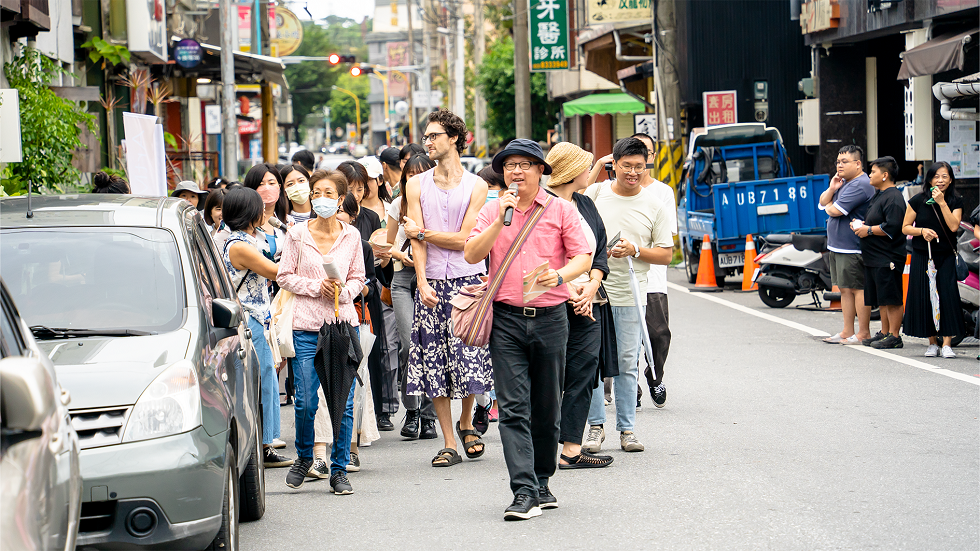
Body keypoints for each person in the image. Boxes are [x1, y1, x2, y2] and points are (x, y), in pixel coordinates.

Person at [464, 139, 592, 520]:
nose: (515, 172)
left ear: (540, 170)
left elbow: (583, 255)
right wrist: (499, 217)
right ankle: (523, 490)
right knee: (514, 408)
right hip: (505, 319)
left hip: (551, 318)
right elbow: (471, 254)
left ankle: (542, 480)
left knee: (547, 407)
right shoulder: (492, 210)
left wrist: (561, 275)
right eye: (509, 166)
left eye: (524, 165)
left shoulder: (561, 210)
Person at [402, 108, 493, 467]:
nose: (428, 142)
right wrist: (421, 280)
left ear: (453, 138)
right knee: (434, 359)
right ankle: (449, 440)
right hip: (432, 281)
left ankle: (468, 420)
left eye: (434, 136)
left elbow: (465, 239)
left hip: (469, 279)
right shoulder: (415, 184)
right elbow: (416, 244)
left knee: (468, 356)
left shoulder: (477, 185)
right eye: (425, 137)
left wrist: (422, 232)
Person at [582, 137, 673, 455]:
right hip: (592, 292)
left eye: (639, 166)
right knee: (591, 362)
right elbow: (570, 207)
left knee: (625, 363)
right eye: (626, 166)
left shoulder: (654, 204)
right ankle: (595, 427)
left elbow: (665, 255)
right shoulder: (596, 194)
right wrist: (594, 167)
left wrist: (636, 250)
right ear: (614, 165)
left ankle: (627, 429)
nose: (633, 172)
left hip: (631, 294)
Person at [277, 168, 366, 495]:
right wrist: (317, 287)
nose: (321, 199)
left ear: (340, 198)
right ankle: (303, 456)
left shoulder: (351, 236)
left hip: (341, 328)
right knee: (304, 402)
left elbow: (359, 278)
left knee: (341, 404)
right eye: (317, 193)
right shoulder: (297, 234)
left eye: (329, 194)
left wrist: (343, 291)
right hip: (306, 327)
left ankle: (340, 469)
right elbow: (284, 276)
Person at [543, 142, 614, 470]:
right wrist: (572, 291)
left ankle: (571, 449)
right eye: (586, 166)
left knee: (584, 371)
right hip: (553, 300)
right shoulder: (543, 205)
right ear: (571, 171)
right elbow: (543, 256)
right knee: (550, 375)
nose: (591, 172)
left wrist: (593, 284)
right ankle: (542, 447)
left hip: (591, 298)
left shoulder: (585, 203)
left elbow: (599, 248)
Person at [220, 186, 293, 469]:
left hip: (258, 318)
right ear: (249, 212)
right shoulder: (238, 245)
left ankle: (265, 442)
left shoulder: (247, 239)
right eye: (259, 208)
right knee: (261, 381)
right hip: (249, 320)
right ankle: (263, 445)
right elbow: (275, 271)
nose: (264, 212)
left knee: (265, 379)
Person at [387, 154, 440, 439]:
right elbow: (386, 243)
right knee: (408, 345)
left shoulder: (440, 206)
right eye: (411, 176)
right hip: (403, 279)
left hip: (432, 280)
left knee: (431, 346)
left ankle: (430, 416)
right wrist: (401, 254)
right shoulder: (398, 204)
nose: (416, 182)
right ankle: (412, 409)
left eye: (422, 176)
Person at [901, 161, 965, 358]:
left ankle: (947, 343)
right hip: (922, 255)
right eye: (936, 177)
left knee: (947, 296)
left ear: (951, 179)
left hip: (945, 255)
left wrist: (942, 202)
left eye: (945, 176)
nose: (940, 180)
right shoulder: (918, 200)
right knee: (925, 297)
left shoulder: (956, 201)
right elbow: (905, 227)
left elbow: (954, 226)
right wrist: (921, 231)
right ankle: (931, 342)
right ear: (929, 180)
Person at [632, 133, 676, 407]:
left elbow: (667, 235)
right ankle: (630, 384)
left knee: (659, 335)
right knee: (626, 338)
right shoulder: (612, 189)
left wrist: (636, 245)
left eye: (644, 152)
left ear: (651, 157)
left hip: (654, 278)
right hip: (623, 276)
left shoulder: (662, 192)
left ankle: (654, 375)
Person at [818, 145, 875, 345]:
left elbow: (836, 210)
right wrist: (832, 188)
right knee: (844, 289)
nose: (839, 166)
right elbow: (823, 201)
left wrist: (829, 206)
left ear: (858, 164)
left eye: (845, 162)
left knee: (857, 289)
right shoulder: (844, 183)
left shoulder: (861, 184)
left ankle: (863, 332)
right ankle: (847, 331)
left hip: (852, 247)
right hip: (838, 246)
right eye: (838, 162)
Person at [853, 157, 908, 350]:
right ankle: (884, 332)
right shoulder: (879, 194)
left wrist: (867, 230)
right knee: (882, 297)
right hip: (874, 256)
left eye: (873, 171)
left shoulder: (894, 197)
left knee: (891, 297)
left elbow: (892, 226)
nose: (870, 175)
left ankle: (895, 335)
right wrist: (862, 226)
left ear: (885, 175)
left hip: (888, 256)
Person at [243, 163, 288, 263]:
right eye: (260, 184)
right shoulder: (237, 221)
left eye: (271, 183)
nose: (267, 188)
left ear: (279, 187)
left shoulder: (289, 222)